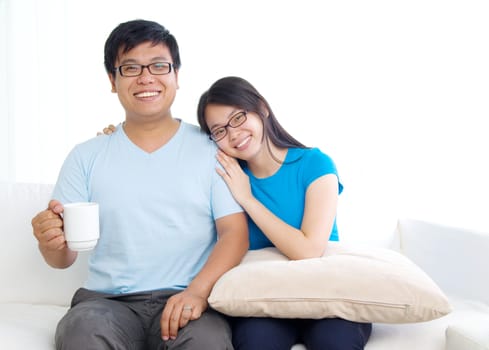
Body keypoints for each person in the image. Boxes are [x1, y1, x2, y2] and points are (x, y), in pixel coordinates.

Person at [30, 20, 249, 350]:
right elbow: (63, 257)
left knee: (208, 343)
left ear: (176, 74)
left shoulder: (212, 150)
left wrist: (198, 292)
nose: (146, 78)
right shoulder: (86, 156)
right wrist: (50, 242)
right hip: (106, 304)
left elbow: (235, 232)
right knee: (81, 334)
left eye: (159, 66)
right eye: (130, 67)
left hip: (188, 298)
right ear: (112, 81)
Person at [196, 76, 372, 350]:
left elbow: (308, 249)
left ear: (262, 109)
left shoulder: (315, 164)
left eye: (238, 118)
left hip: (327, 296)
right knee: (257, 343)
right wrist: (118, 138)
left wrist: (247, 198)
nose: (233, 134)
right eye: (219, 130)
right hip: (264, 300)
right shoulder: (226, 178)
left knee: (335, 343)